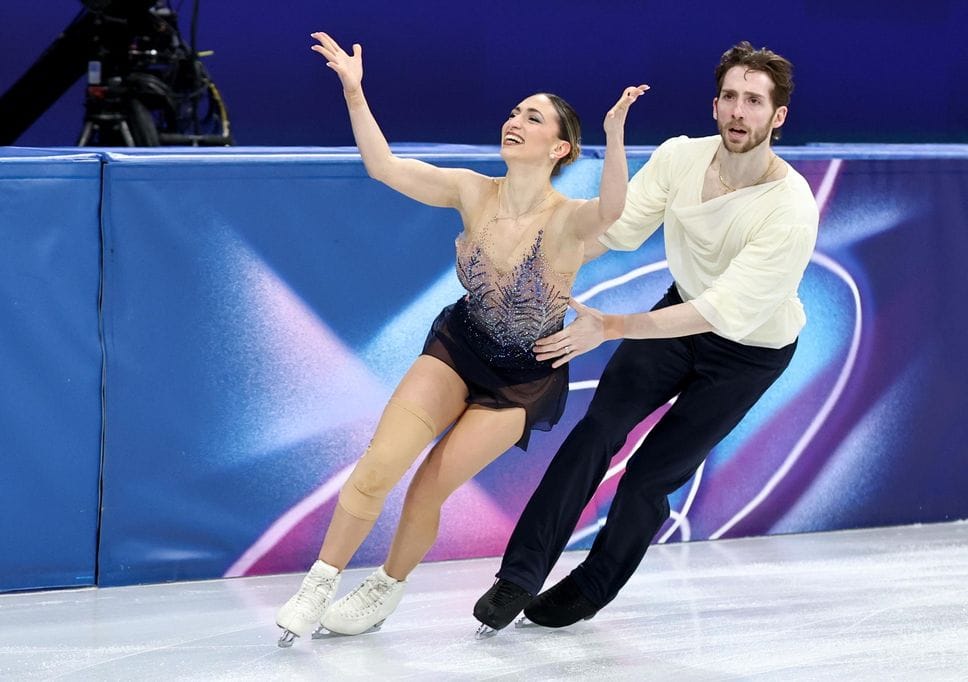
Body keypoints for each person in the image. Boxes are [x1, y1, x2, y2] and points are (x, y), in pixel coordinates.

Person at [274, 30, 648, 647]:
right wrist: (354, 91)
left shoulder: (569, 219)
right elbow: (384, 166)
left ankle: (384, 588)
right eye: (513, 112)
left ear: (560, 146)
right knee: (380, 464)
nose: (515, 122)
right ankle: (318, 581)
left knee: (427, 486)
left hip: (522, 379)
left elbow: (612, 209)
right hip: (459, 346)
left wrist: (614, 133)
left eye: (533, 117)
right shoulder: (473, 191)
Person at [473, 40, 819, 633]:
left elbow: (719, 311)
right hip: (677, 315)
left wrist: (608, 327)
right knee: (597, 432)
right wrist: (541, 265)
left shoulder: (789, 206)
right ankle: (518, 577)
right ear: (715, 105)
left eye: (755, 102)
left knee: (649, 478)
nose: (740, 111)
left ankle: (590, 589)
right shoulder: (681, 157)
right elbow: (616, 231)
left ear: (777, 117)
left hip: (751, 351)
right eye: (731, 97)